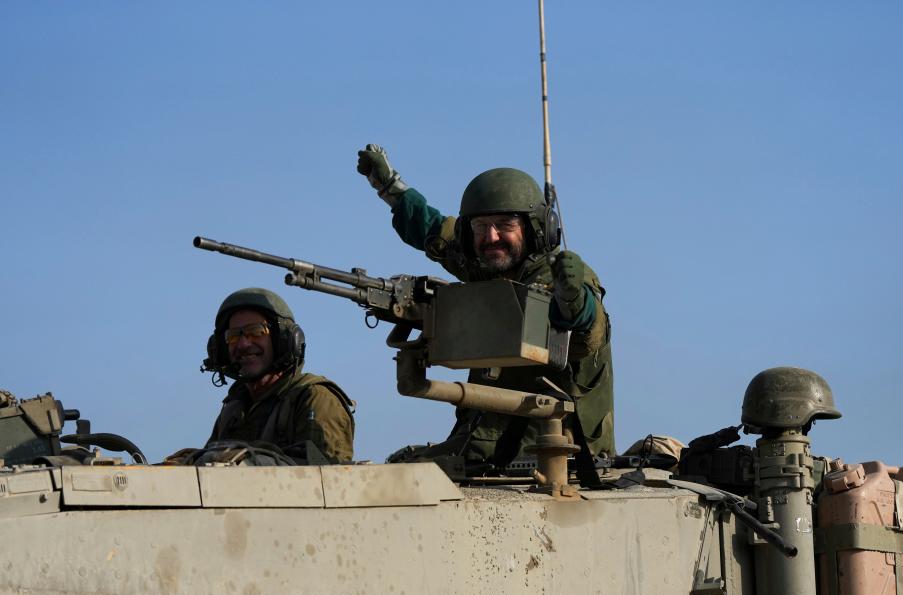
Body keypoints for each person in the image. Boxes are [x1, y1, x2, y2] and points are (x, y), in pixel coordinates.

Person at [357, 144, 614, 473]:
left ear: (536, 229)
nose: (491, 237)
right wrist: (389, 185)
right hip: (481, 451)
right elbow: (432, 229)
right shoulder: (488, 266)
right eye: (480, 226)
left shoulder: (558, 280)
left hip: (555, 456)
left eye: (505, 224)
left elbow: (586, 332)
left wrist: (572, 299)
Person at [201, 287, 355, 464]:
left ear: (283, 339)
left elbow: (328, 480)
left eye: (256, 331)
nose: (243, 344)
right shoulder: (234, 408)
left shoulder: (315, 398)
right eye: (234, 336)